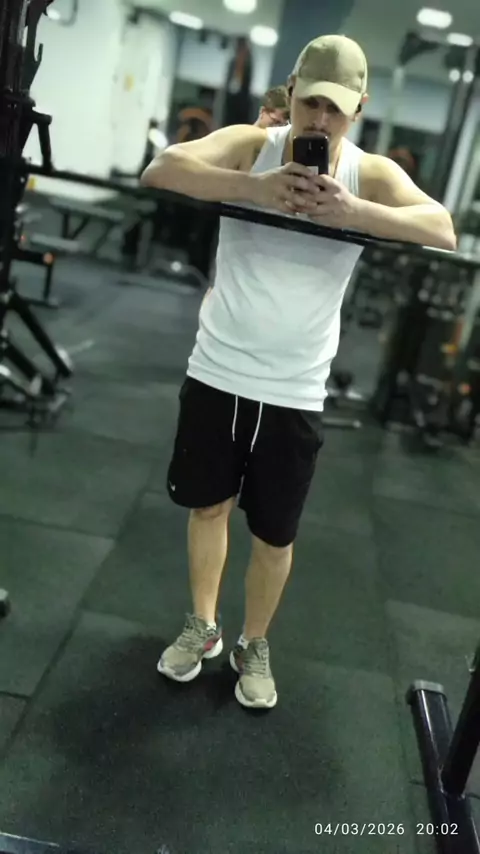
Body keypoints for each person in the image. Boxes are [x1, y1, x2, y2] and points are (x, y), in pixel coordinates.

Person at [141, 34, 456, 712]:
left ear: (358, 109)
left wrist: (355, 212)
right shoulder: (251, 145)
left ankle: (254, 642)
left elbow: (442, 228)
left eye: (335, 109)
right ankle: (203, 626)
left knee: (274, 533)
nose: (320, 119)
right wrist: (252, 187)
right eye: (311, 102)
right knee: (207, 506)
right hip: (219, 365)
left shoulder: (368, 174)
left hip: (295, 386)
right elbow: (162, 169)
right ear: (291, 92)